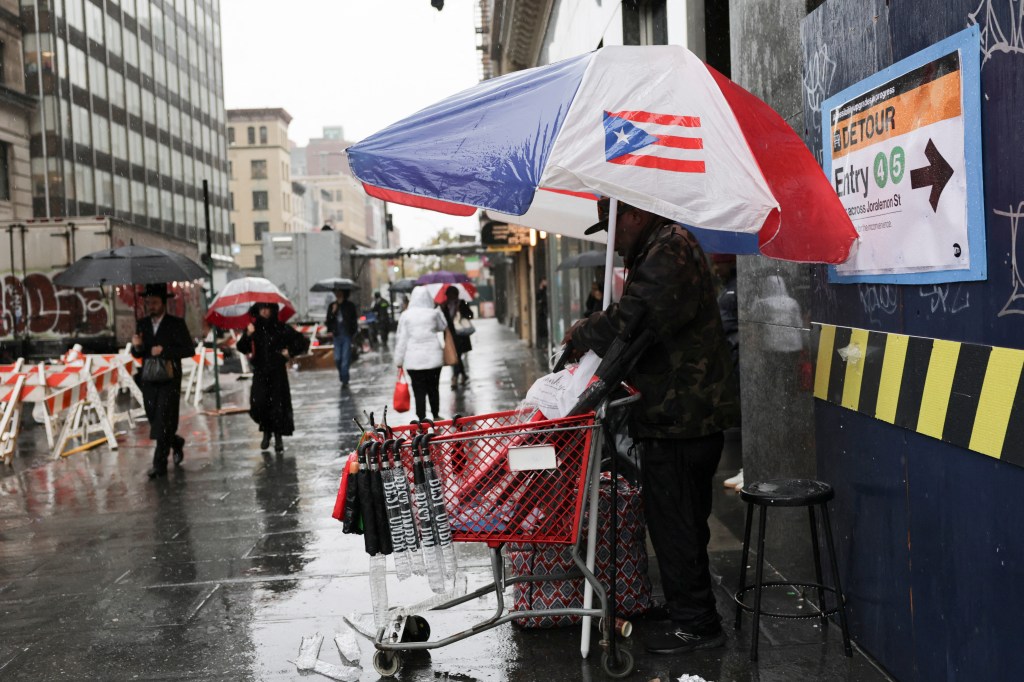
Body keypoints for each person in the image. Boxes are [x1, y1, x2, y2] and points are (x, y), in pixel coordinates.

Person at [562, 197, 740, 655]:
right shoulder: (657, 247)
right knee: (677, 520)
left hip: (682, 417)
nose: (611, 236)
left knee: (676, 521)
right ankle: (688, 608)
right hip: (674, 414)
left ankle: (697, 625)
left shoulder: (670, 249)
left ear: (636, 214)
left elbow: (632, 319)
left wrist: (583, 329)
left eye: (614, 225)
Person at [131, 283, 195, 479]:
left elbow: (188, 350)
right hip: (149, 379)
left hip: (169, 378)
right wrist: (138, 347)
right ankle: (175, 442)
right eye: (148, 303)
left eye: (154, 303)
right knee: (154, 418)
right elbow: (138, 353)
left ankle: (159, 464)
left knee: (164, 418)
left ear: (163, 303)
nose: (151, 306)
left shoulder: (176, 324)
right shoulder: (141, 324)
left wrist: (165, 351)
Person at [236, 302, 309, 453]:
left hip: (277, 373)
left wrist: (289, 352)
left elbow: (302, 341)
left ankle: (278, 437)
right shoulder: (253, 328)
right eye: (262, 308)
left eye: (268, 308)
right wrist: (248, 335)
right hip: (260, 372)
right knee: (259, 403)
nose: (265, 311)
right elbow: (242, 347)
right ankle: (266, 431)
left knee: (278, 406)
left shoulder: (280, 327)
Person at [712, 254, 743, 491]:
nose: (715, 269)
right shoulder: (727, 289)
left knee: (747, 412)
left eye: (718, 263)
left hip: (739, 355)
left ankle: (750, 467)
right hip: (731, 356)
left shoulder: (738, 288)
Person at [394, 286, 448, 422]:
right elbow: (443, 327)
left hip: (414, 361)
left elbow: (402, 339)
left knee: (419, 391)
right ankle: (435, 415)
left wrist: (399, 361)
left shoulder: (406, 315)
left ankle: (421, 418)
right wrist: (438, 310)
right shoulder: (433, 313)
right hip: (433, 359)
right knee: (433, 389)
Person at [440, 285, 474, 388]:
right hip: (450, 335)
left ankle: (455, 377)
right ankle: (463, 375)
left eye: (451, 294)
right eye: (448, 294)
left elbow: (470, 315)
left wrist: (462, 312)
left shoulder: (462, 303)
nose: (449, 296)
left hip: (461, 334)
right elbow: (442, 321)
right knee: (456, 355)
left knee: (456, 355)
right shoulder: (444, 306)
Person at [325, 288, 357, 387]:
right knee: (337, 359)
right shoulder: (332, 306)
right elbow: (328, 321)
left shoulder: (350, 306)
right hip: (337, 336)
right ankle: (342, 375)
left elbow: (353, 321)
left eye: (339, 292)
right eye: (336, 292)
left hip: (346, 336)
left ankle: (345, 380)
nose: (337, 294)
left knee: (345, 359)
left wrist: (352, 333)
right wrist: (333, 312)